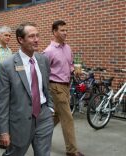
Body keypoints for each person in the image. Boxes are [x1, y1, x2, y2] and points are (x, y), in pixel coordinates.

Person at [0, 22, 54, 156]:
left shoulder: (43, 60)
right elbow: (2, 102)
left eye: (37, 36)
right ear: (20, 40)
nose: (36, 40)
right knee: (15, 153)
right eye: (31, 36)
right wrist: (3, 131)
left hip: (44, 116)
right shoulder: (6, 66)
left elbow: (46, 86)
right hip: (20, 120)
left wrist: (50, 107)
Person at [43, 20, 84, 156]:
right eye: (62, 30)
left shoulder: (68, 48)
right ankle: (71, 151)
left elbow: (70, 65)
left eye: (66, 30)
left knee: (56, 116)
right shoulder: (48, 51)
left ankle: (38, 133)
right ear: (54, 32)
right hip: (55, 86)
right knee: (67, 117)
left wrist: (75, 70)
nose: (65, 33)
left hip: (67, 85)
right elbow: (43, 72)